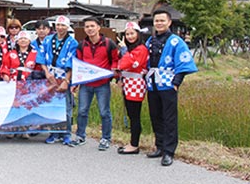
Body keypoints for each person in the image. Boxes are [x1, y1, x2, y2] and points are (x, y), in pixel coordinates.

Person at [145, 9, 198, 166]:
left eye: (162, 20)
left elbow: (183, 62)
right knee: (155, 116)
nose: (159, 23)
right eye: (156, 21)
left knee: (169, 118)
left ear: (169, 22)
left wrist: (176, 83)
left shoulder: (176, 41)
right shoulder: (150, 40)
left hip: (168, 83)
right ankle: (159, 146)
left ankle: (169, 151)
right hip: (152, 83)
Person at [70, 17, 119, 151]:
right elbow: (78, 64)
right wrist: (75, 83)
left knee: (104, 112)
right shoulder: (81, 45)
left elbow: (115, 60)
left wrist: (114, 71)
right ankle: (80, 136)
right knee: (82, 111)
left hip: (102, 83)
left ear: (98, 27)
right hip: (86, 84)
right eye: (87, 27)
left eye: (92, 26)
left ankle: (105, 138)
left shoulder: (109, 44)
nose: (90, 29)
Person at [36, 15, 78, 146]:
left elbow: (72, 62)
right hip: (51, 75)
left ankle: (66, 133)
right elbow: (41, 56)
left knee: (66, 106)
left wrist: (67, 80)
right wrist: (47, 73)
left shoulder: (73, 43)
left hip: (64, 75)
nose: (60, 28)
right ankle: (53, 132)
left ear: (68, 27)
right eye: (58, 25)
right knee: (52, 104)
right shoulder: (48, 40)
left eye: (63, 25)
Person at [116, 21, 149, 155]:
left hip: (136, 85)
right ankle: (132, 142)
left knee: (134, 116)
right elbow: (120, 65)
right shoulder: (131, 50)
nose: (129, 36)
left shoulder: (141, 49)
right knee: (131, 115)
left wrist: (124, 51)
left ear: (138, 34)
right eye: (127, 34)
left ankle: (134, 144)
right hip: (127, 83)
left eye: (132, 33)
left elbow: (129, 63)